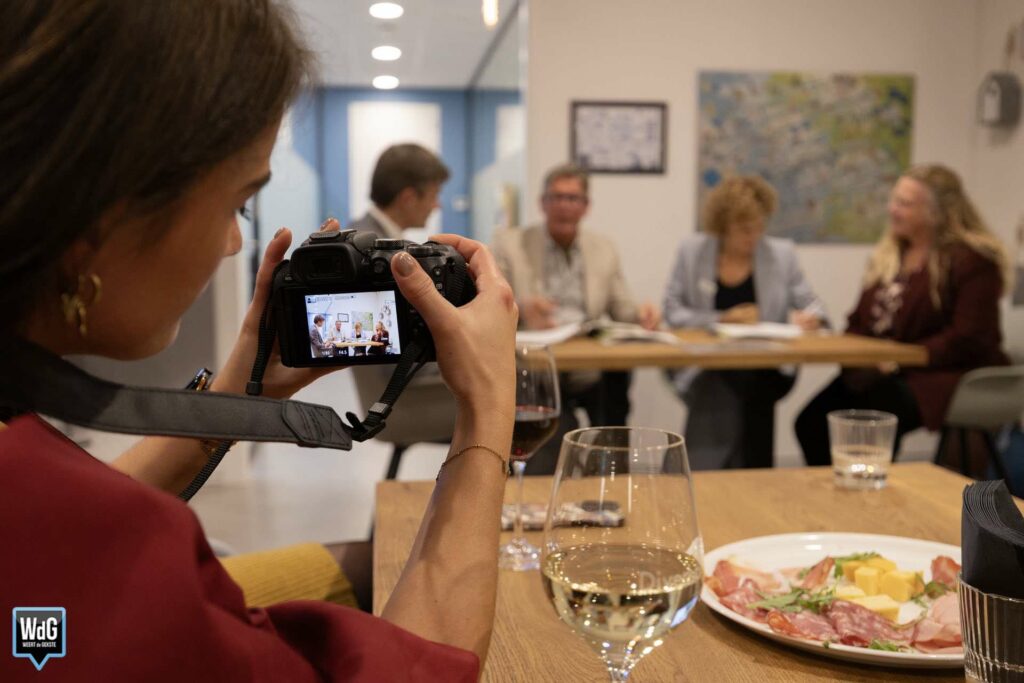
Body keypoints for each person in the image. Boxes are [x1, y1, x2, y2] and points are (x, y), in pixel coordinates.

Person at [0, 2, 518, 680]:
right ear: (100, 209)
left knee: (372, 559)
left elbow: (67, 537)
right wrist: (488, 407)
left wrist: (236, 394)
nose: (232, 244)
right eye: (236, 203)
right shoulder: (65, 517)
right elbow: (421, 670)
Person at [795, 164, 1010, 464]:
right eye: (894, 200)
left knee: (872, 417)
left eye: (904, 203)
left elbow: (969, 336)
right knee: (812, 422)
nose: (892, 209)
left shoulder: (971, 260)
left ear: (936, 212)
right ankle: (835, 489)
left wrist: (899, 360)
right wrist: (854, 356)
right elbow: (858, 322)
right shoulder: (890, 256)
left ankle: (868, 488)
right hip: (883, 373)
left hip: (941, 374)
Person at [492, 163, 660, 474]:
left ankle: (608, 479)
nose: (564, 206)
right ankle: (545, 486)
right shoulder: (510, 244)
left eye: (572, 198)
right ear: (542, 203)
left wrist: (642, 315)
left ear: (586, 206)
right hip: (538, 364)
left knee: (615, 395)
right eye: (556, 197)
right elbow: (489, 302)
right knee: (554, 428)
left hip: (588, 365)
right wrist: (522, 308)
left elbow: (621, 306)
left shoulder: (603, 248)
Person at [663, 176, 827, 469]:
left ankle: (703, 468)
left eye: (759, 226)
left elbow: (813, 304)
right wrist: (721, 318)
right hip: (706, 363)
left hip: (766, 365)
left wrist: (812, 318)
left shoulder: (781, 254)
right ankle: (747, 470)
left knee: (747, 383)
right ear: (723, 226)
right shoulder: (693, 252)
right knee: (729, 383)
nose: (753, 236)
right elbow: (672, 311)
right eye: (744, 229)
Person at [347, 143, 449, 238]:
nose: (437, 206)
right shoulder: (370, 248)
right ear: (409, 199)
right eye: (433, 196)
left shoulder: (364, 236)